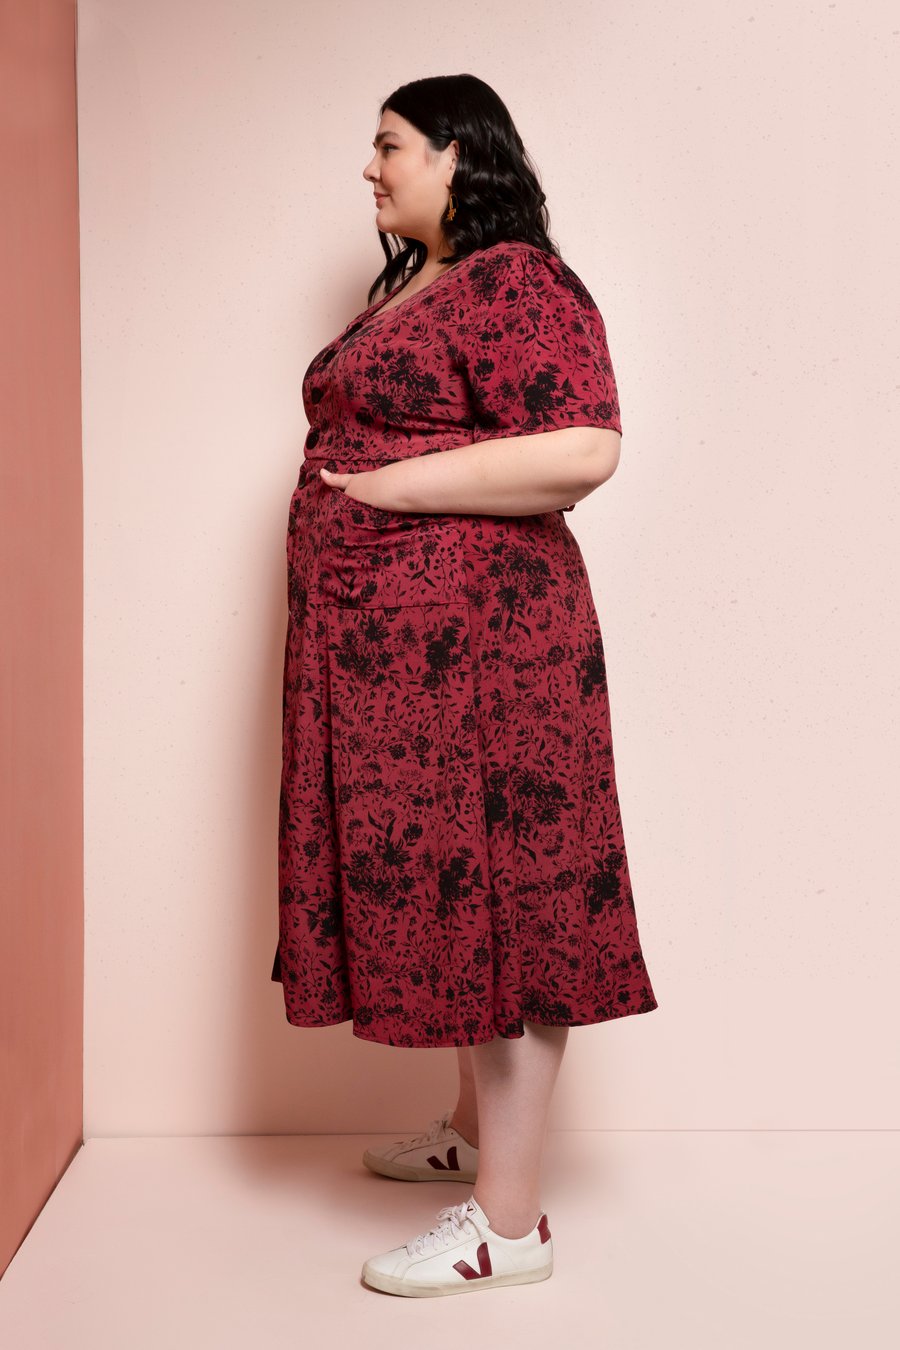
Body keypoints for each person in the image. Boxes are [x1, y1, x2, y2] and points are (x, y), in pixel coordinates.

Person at [270, 73, 659, 1297]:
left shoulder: (520, 280)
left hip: (488, 650)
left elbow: (584, 446)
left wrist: (391, 490)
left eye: (390, 145)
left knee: (509, 899)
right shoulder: (423, 284)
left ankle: (511, 1225)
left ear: (456, 153)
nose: (370, 168)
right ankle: (476, 1135)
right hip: (398, 657)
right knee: (454, 885)